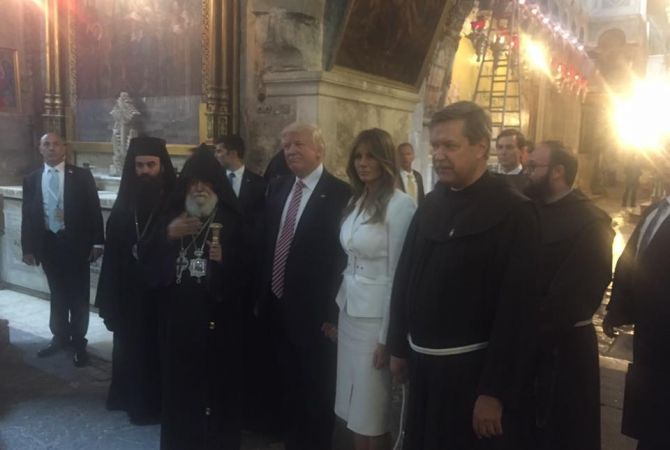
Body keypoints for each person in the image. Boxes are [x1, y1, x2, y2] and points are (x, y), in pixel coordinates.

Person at [387, 101, 539, 450]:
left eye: (450, 146)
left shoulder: (514, 212)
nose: (439, 155)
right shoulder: (433, 202)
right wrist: (398, 344)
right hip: (422, 367)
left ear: (480, 148)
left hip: (471, 377)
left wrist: (493, 392)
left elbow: (517, 312)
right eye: (435, 145)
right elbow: (405, 278)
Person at [260, 123, 350, 450]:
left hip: (317, 314)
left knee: (317, 387)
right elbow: (270, 242)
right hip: (277, 304)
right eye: (286, 146)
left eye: (299, 144)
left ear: (319, 149)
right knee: (285, 381)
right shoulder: (278, 187)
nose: (291, 151)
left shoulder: (341, 194)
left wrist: (332, 313)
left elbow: (342, 260)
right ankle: (290, 439)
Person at [525, 141, 613, 450]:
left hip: (565, 351)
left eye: (534, 167)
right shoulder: (526, 209)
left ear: (558, 171)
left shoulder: (592, 222)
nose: (527, 172)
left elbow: (579, 291)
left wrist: (528, 326)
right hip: (524, 346)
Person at [335, 129, 415, 450]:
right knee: (353, 409)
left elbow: (398, 275)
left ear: (385, 160)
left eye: (370, 156)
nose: (363, 163)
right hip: (349, 313)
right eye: (358, 156)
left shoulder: (400, 206)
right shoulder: (356, 200)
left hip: (375, 321)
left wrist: (387, 337)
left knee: (372, 414)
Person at [160, 146, 244, 450]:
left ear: (217, 185)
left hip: (219, 321)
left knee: (218, 388)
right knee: (183, 390)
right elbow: (146, 261)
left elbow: (250, 270)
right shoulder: (171, 216)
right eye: (193, 182)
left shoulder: (232, 219)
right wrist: (168, 235)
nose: (198, 188)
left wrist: (226, 260)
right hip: (181, 321)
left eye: (206, 182)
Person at [95, 137, 176, 424]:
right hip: (130, 293)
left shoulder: (174, 201)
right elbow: (114, 255)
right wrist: (108, 298)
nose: (144, 171)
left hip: (162, 292)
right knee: (130, 348)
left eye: (151, 165)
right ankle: (131, 400)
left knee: (159, 349)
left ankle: (159, 406)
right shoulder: (124, 202)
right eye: (139, 165)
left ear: (162, 167)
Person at [603, 150, 670, 450]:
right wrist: (617, 308)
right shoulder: (657, 210)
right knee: (651, 411)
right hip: (650, 335)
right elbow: (631, 260)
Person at [21, 133, 104, 367]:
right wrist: (29, 247)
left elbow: (93, 210)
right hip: (48, 244)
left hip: (76, 243)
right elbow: (29, 215)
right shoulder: (32, 179)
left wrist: (98, 242)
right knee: (57, 293)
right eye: (46, 144)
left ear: (64, 148)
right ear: (40, 148)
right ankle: (59, 336)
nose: (51, 148)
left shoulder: (81, 176)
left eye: (56, 144)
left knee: (77, 296)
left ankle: (79, 341)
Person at [215, 134, 272, 432]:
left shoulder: (258, 184)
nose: (217, 155)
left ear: (235, 153)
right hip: (221, 267)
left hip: (249, 270)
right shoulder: (215, 182)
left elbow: (261, 229)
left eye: (221, 151)